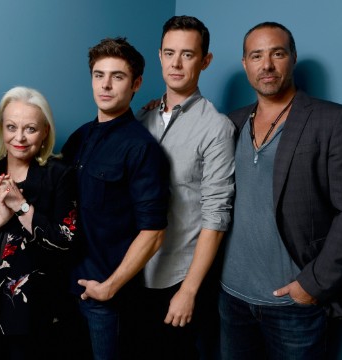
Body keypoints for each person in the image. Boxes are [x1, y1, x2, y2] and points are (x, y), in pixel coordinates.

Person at [219, 22, 342, 359]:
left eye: (277, 53)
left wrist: (312, 286)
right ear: (245, 64)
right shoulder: (231, 123)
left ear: (292, 58)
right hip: (232, 300)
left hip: (293, 305)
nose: (267, 65)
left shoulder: (333, 121)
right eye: (256, 56)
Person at [61, 37, 170, 360]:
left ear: (135, 84)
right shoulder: (79, 137)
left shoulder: (142, 148)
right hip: (68, 288)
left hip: (106, 299)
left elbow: (154, 233)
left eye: (117, 76)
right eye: (99, 75)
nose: (105, 85)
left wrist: (109, 287)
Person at [135, 15, 235, 359]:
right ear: (160, 55)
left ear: (205, 61)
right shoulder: (141, 118)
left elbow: (216, 215)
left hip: (177, 278)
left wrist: (189, 291)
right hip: (132, 271)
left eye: (188, 55)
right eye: (169, 53)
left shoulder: (216, 128)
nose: (176, 63)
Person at [0, 86, 78, 359]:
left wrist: (20, 205)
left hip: (32, 312)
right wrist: (0, 215)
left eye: (30, 129)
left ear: (45, 131)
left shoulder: (59, 175)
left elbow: (64, 242)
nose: (19, 137)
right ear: (2, 128)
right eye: (11, 127)